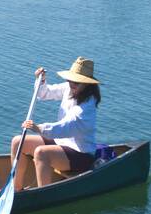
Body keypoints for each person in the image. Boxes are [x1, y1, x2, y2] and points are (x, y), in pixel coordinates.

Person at [8, 57, 101, 190]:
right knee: (18, 142)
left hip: (81, 154)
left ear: (87, 84)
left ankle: (42, 196)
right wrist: (41, 81)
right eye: (70, 80)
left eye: (77, 82)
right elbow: (44, 94)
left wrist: (39, 128)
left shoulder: (87, 107)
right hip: (61, 144)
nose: (72, 84)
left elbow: (67, 127)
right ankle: (15, 189)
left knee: (41, 153)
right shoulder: (69, 89)